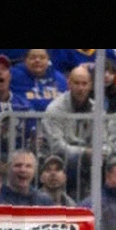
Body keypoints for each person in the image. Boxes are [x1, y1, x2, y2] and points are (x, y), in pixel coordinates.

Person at [39, 65, 98, 195]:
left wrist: (101, 152)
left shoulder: (97, 109)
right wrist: (84, 152)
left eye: (84, 84)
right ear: (69, 84)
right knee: (73, 161)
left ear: (90, 85)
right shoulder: (55, 109)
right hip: (55, 156)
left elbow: (103, 140)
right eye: (76, 83)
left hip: (88, 156)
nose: (80, 88)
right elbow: (57, 146)